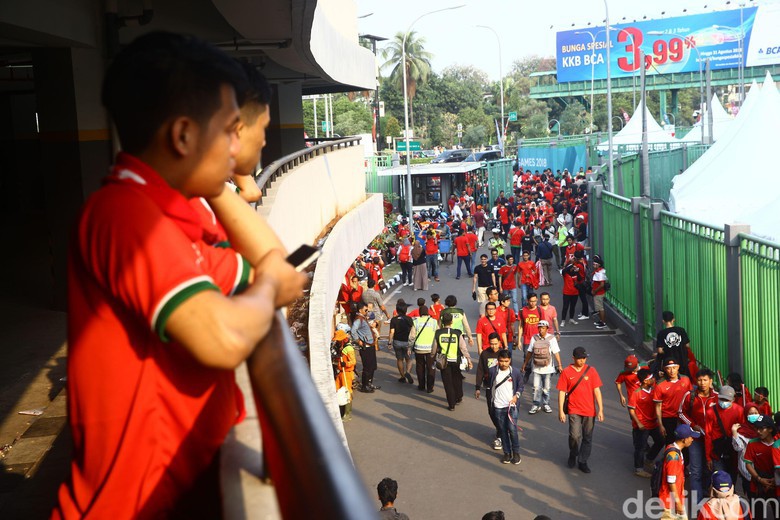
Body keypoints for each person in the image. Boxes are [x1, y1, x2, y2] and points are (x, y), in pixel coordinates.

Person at [55, 33, 308, 519]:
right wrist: (270, 289)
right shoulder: (126, 215)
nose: (237, 150)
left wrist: (215, 187)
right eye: (230, 130)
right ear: (184, 136)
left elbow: (268, 260)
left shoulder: (170, 217)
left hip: (178, 491)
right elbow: (225, 335)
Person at [557, 346, 604, 473]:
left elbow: (597, 390)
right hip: (574, 409)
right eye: (580, 358)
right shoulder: (566, 372)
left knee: (587, 437)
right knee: (574, 435)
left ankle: (583, 461)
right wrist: (561, 410)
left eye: (584, 358)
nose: (582, 361)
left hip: (589, 411)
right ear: (573, 358)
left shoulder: (592, 371)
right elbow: (562, 392)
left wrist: (600, 409)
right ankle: (573, 453)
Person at [678, 368, 719, 502]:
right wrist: (692, 425)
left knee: (709, 468)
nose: (702, 383)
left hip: (712, 439)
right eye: (700, 380)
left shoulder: (717, 397)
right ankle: (697, 502)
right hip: (694, 438)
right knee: (696, 470)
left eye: (705, 380)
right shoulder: (690, 396)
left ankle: (706, 492)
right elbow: (681, 412)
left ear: (711, 381)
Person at [485, 349, 524, 464]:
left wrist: (516, 396)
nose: (503, 364)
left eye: (506, 361)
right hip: (498, 406)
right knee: (502, 430)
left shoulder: (515, 373)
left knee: (512, 430)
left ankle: (516, 453)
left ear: (510, 361)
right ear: (498, 361)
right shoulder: (493, 371)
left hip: (511, 406)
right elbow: (489, 386)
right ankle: (507, 453)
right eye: (501, 361)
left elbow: (520, 386)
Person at [659, 424, 701, 520]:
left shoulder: (673, 449)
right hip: (670, 502)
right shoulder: (673, 456)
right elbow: (671, 481)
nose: (692, 439)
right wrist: (677, 503)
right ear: (684, 439)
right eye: (691, 437)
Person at [628, 369, 664, 478]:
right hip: (642, 425)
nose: (653, 379)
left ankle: (649, 459)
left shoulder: (654, 390)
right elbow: (631, 409)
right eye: (651, 378)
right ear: (645, 381)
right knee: (641, 447)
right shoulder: (636, 393)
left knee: (661, 441)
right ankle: (639, 469)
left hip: (653, 423)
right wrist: (638, 423)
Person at [522, 320, 562, 415]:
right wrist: (525, 364)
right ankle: (536, 404)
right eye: (539, 328)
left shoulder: (551, 338)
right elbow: (530, 352)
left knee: (546, 388)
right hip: (536, 368)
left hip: (548, 369)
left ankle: (546, 403)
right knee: (536, 387)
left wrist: (559, 364)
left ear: (547, 329)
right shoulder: (534, 338)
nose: (541, 330)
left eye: (543, 328)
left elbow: (556, 352)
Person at [705, 385, 744, 481]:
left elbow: (743, 432)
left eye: (727, 400)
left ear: (733, 399)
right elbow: (708, 435)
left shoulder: (739, 411)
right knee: (720, 480)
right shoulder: (711, 412)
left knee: (732, 479)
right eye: (722, 399)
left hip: (733, 451)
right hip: (717, 452)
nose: (724, 402)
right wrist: (708, 457)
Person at [435, 312, 473, 411]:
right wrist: (468, 359)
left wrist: (432, 357)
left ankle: (451, 404)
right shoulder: (457, 333)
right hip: (456, 360)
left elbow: (434, 348)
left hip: (444, 361)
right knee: (457, 379)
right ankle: (459, 396)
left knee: (447, 383)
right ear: (451, 322)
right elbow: (463, 347)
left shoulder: (438, 333)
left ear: (442, 322)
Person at [744, 415, 778, 519]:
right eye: (757, 428)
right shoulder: (752, 443)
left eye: (761, 428)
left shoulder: (778, 443)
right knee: (757, 513)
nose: (758, 431)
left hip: (776, 481)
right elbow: (748, 464)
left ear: (770, 429)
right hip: (758, 482)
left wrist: (775, 479)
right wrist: (759, 479)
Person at [475, 333, 505, 451]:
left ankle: (501, 433)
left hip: (502, 388)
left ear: (499, 343)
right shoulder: (485, 354)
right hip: (489, 387)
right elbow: (480, 371)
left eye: (495, 344)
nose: (493, 346)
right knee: (491, 411)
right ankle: (499, 428)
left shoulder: (503, 354)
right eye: (491, 344)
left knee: (500, 411)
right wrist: (477, 387)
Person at [654, 358, 693, 444]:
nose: (672, 371)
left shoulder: (686, 380)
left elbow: (691, 397)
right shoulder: (660, 384)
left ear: (678, 367)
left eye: (674, 367)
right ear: (665, 369)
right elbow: (658, 406)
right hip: (668, 418)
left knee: (684, 441)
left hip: (684, 416)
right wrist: (660, 425)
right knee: (670, 442)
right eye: (669, 368)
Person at [352, 301, 381, 393]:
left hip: (370, 345)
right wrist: (358, 341)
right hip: (366, 347)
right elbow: (353, 331)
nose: (367, 311)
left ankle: (369, 383)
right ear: (360, 310)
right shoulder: (358, 319)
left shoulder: (363, 318)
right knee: (367, 367)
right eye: (365, 309)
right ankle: (365, 386)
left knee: (372, 366)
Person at [657, 311, 693, 378]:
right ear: (673, 319)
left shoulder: (661, 333)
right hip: (682, 359)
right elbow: (687, 345)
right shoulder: (681, 330)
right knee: (684, 378)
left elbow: (660, 350)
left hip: (669, 362)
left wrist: (668, 350)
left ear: (663, 321)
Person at [411, 306, 438, 393]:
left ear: (420, 313)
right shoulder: (434, 322)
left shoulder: (416, 321)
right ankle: (430, 387)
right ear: (428, 312)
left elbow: (412, 336)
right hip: (431, 349)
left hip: (419, 348)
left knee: (420, 367)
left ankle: (421, 385)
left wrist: (409, 347)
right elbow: (438, 335)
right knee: (431, 368)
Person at [388, 301, 415, 385]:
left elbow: (392, 332)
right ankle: (408, 372)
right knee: (409, 359)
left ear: (397, 310)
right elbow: (412, 331)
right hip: (407, 342)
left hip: (397, 342)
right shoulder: (409, 319)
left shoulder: (394, 320)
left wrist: (389, 342)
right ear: (406, 310)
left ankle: (402, 377)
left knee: (399, 359)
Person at [333, 330, 356, 421]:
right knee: (338, 391)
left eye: (338, 340)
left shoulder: (349, 348)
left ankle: (347, 414)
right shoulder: (342, 346)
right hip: (341, 373)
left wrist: (345, 364)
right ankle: (341, 412)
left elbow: (353, 361)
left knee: (347, 393)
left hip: (347, 373)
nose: (337, 341)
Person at [560, 262, 582, 327]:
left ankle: (571, 319)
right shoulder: (565, 274)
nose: (573, 268)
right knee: (565, 307)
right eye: (572, 267)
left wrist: (577, 271)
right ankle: (563, 320)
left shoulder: (575, 273)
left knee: (573, 306)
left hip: (575, 293)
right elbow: (564, 270)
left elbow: (580, 279)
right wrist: (571, 265)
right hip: (567, 292)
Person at [591, 255, 608, 329]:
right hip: (597, 292)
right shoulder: (599, 271)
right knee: (599, 308)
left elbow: (601, 285)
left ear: (599, 265)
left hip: (598, 293)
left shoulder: (600, 273)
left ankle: (603, 322)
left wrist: (595, 291)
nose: (593, 265)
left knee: (600, 308)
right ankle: (601, 320)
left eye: (595, 264)